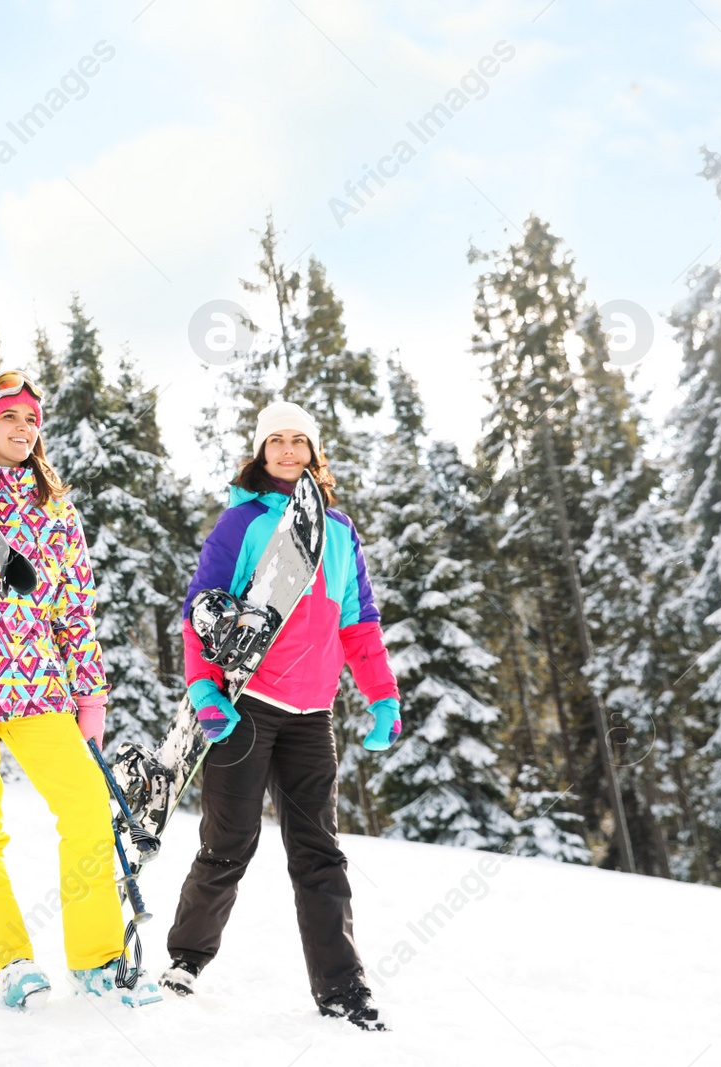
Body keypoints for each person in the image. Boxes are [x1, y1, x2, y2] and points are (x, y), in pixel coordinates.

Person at [0, 371, 160, 1010]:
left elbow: (74, 611)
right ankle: (7, 959)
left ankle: (98, 960)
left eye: (31, 420)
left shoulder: (55, 508)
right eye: (9, 417)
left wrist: (90, 694)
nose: (22, 428)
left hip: (38, 686)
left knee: (88, 809)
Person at [160, 401, 401, 1032]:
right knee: (229, 842)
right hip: (245, 707)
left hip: (312, 715)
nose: (289, 451)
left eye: (300, 441)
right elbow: (199, 610)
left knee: (320, 853)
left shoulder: (341, 534)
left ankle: (343, 991)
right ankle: (185, 959)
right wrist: (205, 693)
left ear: (314, 454)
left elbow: (359, 623)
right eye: (277, 441)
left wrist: (382, 696)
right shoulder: (241, 523)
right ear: (262, 453)